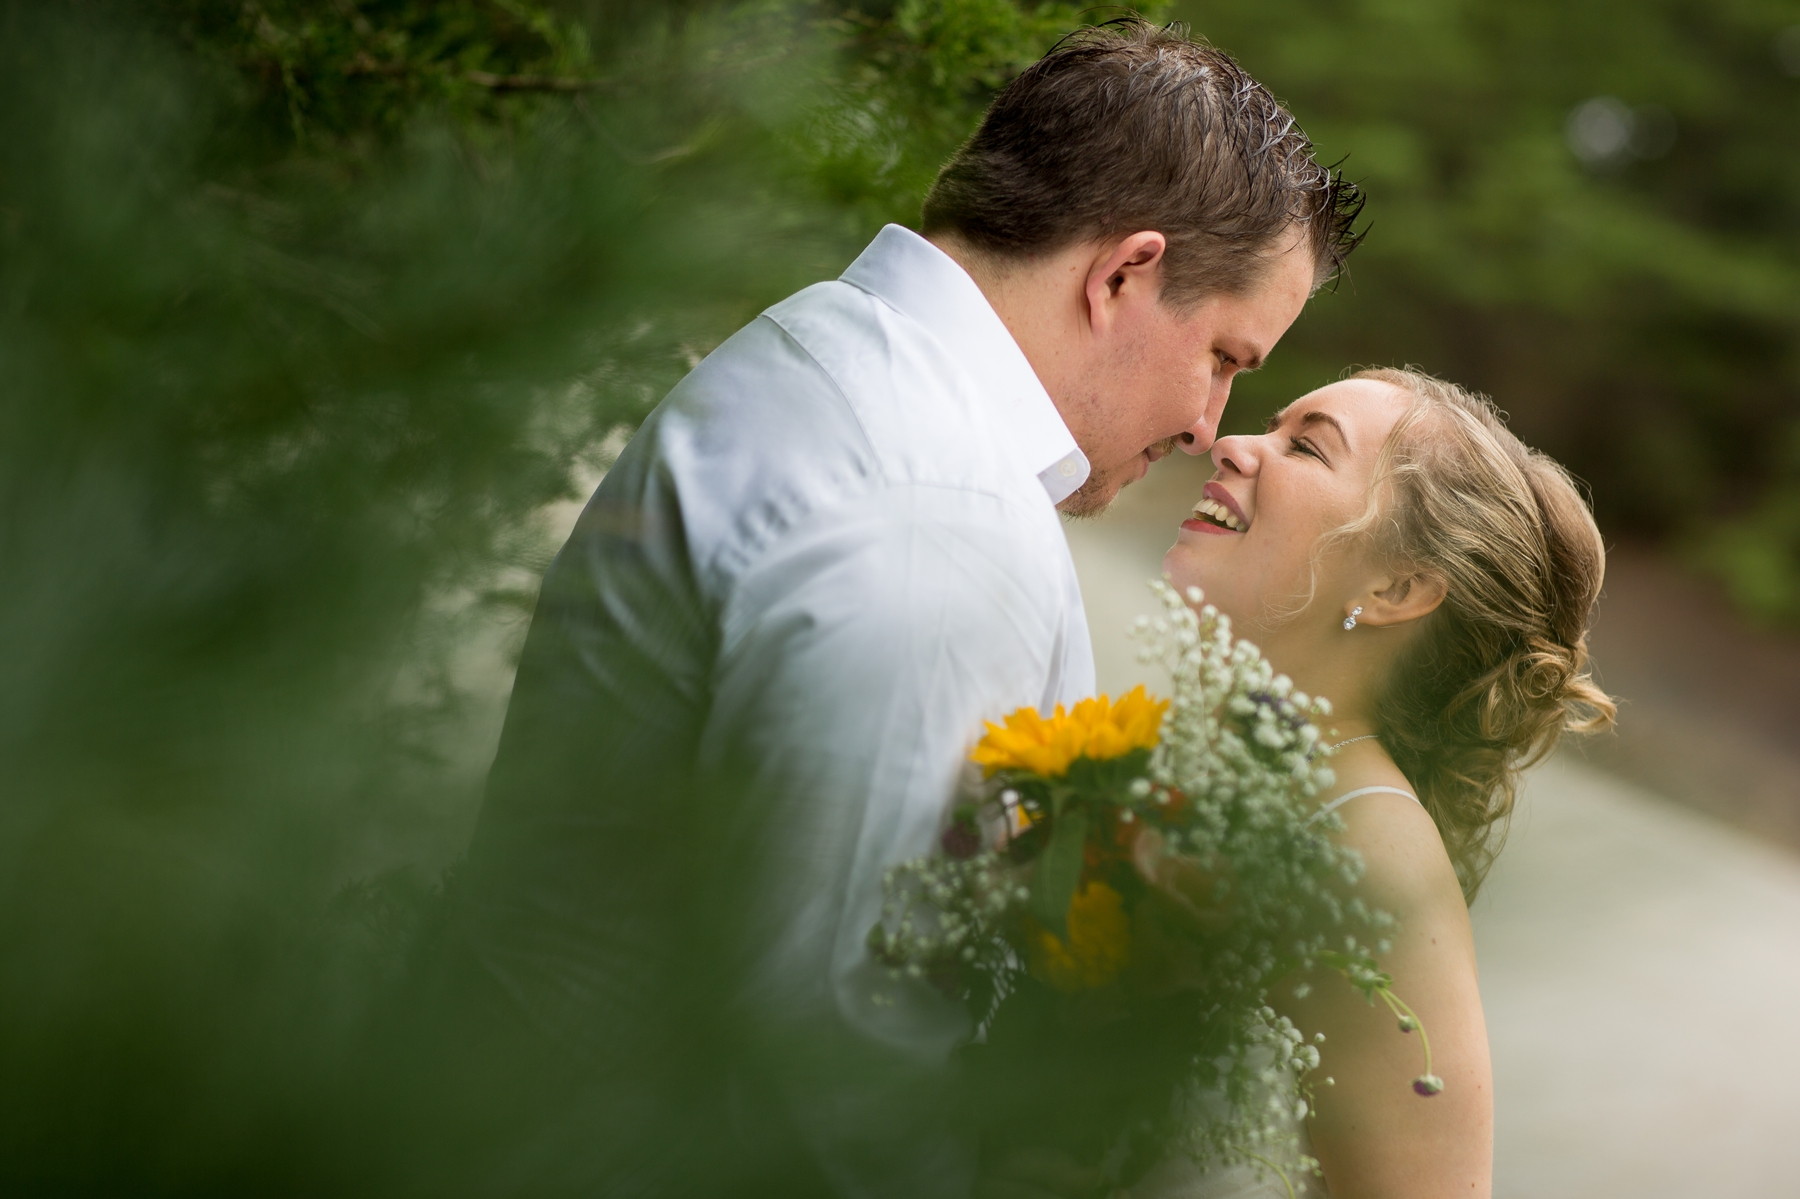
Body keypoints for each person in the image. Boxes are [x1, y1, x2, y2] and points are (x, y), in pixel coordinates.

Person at [437, 18, 1363, 1198]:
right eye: (1226, 355)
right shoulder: (937, 514)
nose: (1205, 422)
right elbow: (839, 1065)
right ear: (1124, 272)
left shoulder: (826, 349)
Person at [1141, 367, 1617, 1198]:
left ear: (1397, 588)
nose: (1231, 444)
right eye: (1273, 423)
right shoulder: (1215, 761)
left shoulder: (1373, 853)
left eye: (1306, 447)